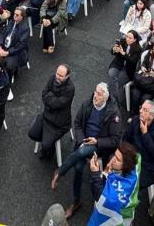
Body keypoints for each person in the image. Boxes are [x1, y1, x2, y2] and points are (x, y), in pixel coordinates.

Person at [51, 83, 123, 220]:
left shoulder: (114, 113)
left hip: (99, 146)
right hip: (83, 141)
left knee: (82, 153)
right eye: (95, 92)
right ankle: (76, 202)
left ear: (106, 98)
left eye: (99, 94)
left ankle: (60, 171)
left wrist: (97, 141)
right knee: (78, 168)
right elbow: (77, 123)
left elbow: (114, 140)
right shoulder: (88, 103)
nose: (95, 96)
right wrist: (82, 140)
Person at [86, 141, 141, 226]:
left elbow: (104, 199)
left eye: (118, 159)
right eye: (115, 155)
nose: (113, 159)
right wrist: (105, 173)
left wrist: (95, 174)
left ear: (125, 165)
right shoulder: (131, 164)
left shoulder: (125, 185)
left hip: (119, 218)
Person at [29, 64, 76, 160]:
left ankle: (48, 150)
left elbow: (57, 104)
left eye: (61, 76)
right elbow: (44, 93)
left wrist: (49, 97)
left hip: (59, 123)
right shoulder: (53, 78)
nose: (57, 77)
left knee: (46, 145)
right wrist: (52, 99)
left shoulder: (70, 88)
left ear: (67, 76)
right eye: (57, 73)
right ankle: (47, 141)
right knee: (32, 134)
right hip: (47, 115)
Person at [122, 100, 154, 192]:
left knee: (129, 184)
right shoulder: (135, 120)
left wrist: (145, 134)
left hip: (148, 168)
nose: (140, 111)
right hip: (132, 160)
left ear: (151, 116)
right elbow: (125, 139)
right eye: (141, 108)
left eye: (145, 110)